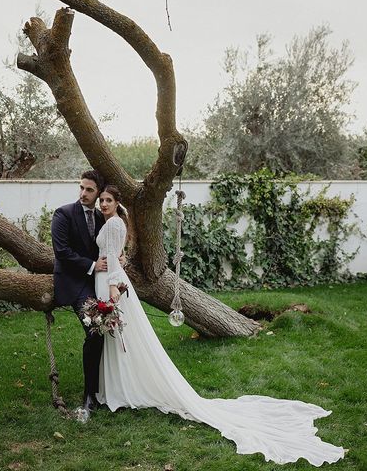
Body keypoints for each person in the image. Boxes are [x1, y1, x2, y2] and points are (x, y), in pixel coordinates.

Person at [94, 185, 345, 467]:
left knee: (119, 333)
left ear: (117, 204)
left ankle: (121, 387)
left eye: (108, 200)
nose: (103, 204)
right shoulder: (109, 222)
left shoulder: (115, 224)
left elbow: (115, 260)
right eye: (102, 200)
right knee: (116, 335)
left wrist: (114, 288)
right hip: (106, 281)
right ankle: (117, 385)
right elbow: (119, 257)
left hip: (112, 285)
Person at [50, 170, 108, 414]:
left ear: (99, 193)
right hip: (74, 283)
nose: (83, 193)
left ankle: (108, 388)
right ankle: (89, 396)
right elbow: (61, 251)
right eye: (81, 188)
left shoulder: (101, 215)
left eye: (89, 190)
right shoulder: (63, 214)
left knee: (108, 330)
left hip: (99, 283)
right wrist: (93, 266)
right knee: (95, 331)